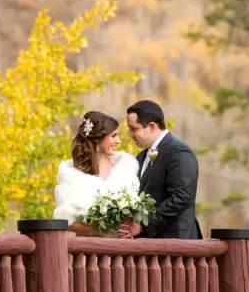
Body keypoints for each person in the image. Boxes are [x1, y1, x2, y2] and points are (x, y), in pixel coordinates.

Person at [118, 100, 202, 240]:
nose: (130, 134)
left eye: (134, 129)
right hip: (147, 244)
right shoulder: (141, 157)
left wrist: (144, 224)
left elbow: (181, 197)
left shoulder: (179, 153)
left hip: (176, 242)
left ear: (152, 126)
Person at [52, 110, 140, 236]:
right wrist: (102, 230)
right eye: (114, 136)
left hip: (124, 245)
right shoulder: (71, 174)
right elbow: (66, 221)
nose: (119, 141)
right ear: (97, 140)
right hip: (89, 246)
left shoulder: (126, 167)